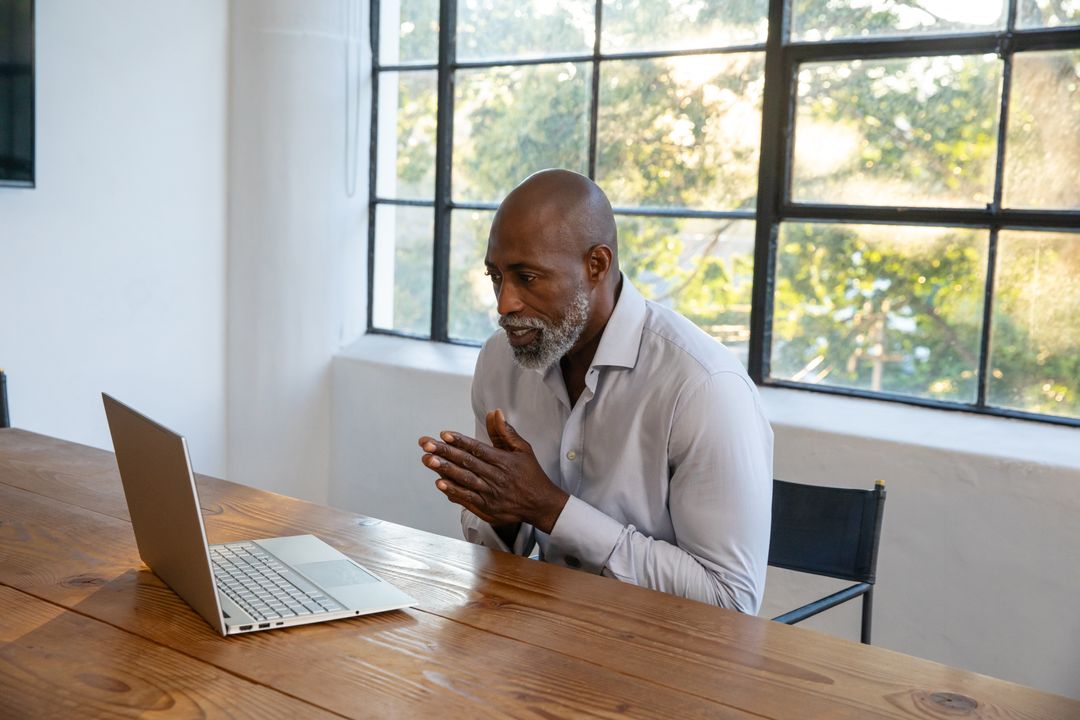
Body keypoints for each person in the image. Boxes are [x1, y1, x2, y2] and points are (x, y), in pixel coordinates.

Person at [418, 169, 773, 613]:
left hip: (664, 656)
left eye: (527, 278)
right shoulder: (500, 360)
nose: (504, 303)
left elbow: (731, 604)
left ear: (596, 266)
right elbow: (497, 558)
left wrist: (550, 509)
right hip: (546, 632)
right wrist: (501, 513)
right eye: (496, 277)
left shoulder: (703, 386)